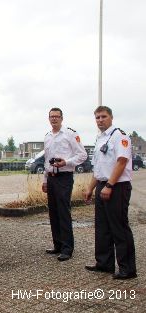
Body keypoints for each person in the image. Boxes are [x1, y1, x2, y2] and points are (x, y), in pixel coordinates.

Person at [83, 106, 137, 279]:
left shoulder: (119, 136)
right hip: (102, 184)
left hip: (117, 186)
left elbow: (121, 162)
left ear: (111, 117)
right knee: (102, 227)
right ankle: (104, 263)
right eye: (97, 117)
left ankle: (127, 269)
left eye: (103, 116)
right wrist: (91, 188)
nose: (100, 120)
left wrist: (110, 185)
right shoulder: (100, 138)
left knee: (119, 227)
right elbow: (98, 168)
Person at [42, 108, 87, 261]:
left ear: (62, 118)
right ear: (48, 118)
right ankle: (58, 245)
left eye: (57, 116)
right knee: (53, 213)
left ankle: (67, 248)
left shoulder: (70, 134)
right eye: (51, 117)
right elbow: (46, 160)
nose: (54, 119)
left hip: (64, 177)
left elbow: (82, 155)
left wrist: (66, 162)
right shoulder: (47, 137)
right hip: (52, 177)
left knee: (63, 212)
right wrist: (45, 180)